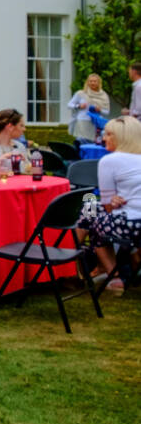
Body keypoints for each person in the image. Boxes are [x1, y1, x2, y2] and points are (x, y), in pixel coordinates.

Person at [76, 116, 141, 292]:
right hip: (134, 220)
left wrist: (112, 201)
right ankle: (124, 263)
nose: (104, 138)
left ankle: (112, 274)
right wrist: (116, 199)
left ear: (124, 137)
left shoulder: (110, 161)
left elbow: (107, 207)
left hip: (131, 224)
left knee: (89, 209)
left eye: (109, 134)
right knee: (92, 208)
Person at [67, 74, 110, 143]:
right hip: (82, 120)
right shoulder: (80, 93)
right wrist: (78, 106)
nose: (92, 83)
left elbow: (107, 112)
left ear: (99, 83)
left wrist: (100, 110)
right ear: (87, 82)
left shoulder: (103, 95)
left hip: (96, 123)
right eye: (90, 81)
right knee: (81, 141)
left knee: (93, 142)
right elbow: (69, 105)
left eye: (95, 81)